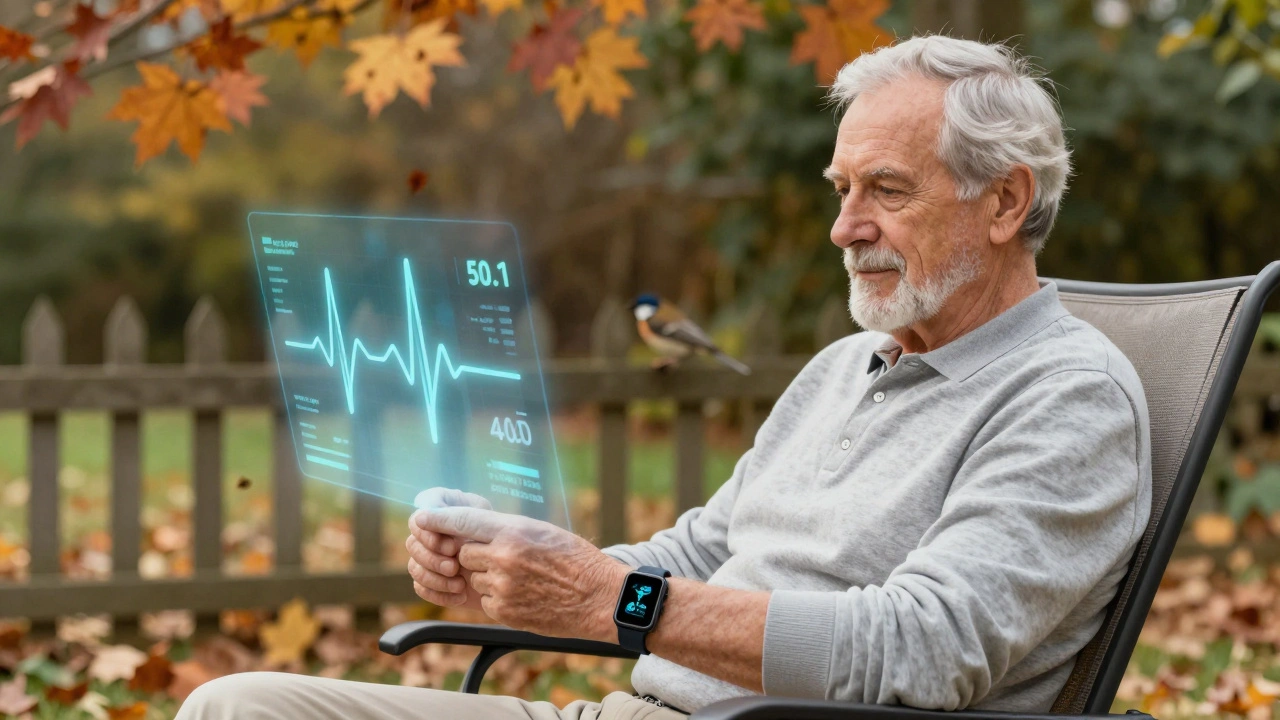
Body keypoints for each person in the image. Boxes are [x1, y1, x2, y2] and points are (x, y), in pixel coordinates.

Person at [177, 34, 1152, 720]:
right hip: (634, 711)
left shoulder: (1067, 398)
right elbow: (700, 551)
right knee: (236, 704)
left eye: (885, 191)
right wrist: (527, 566)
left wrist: (613, 604)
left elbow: (918, 653)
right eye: (841, 190)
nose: (843, 228)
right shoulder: (839, 370)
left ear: (1003, 201)